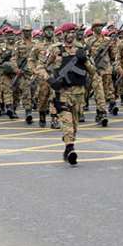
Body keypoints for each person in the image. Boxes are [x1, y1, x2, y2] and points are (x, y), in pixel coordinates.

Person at [40, 22, 97, 166]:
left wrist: (85, 60)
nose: (71, 35)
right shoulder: (55, 50)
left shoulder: (81, 49)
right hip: (62, 92)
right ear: (63, 34)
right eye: (68, 33)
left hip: (78, 93)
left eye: (73, 32)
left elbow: (93, 71)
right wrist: (50, 79)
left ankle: (67, 147)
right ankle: (70, 148)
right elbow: (40, 66)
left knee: (75, 125)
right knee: (67, 122)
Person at [29, 23, 58, 128]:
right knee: (43, 97)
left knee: (55, 96)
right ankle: (42, 114)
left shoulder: (58, 45)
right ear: (43, 32)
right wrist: (34, 71)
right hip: (43, 75)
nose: (49, 32)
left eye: (51, 30)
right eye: (47, 30)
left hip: (55, 74)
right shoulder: (38, 46)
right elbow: (31, 60)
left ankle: (54, 119)